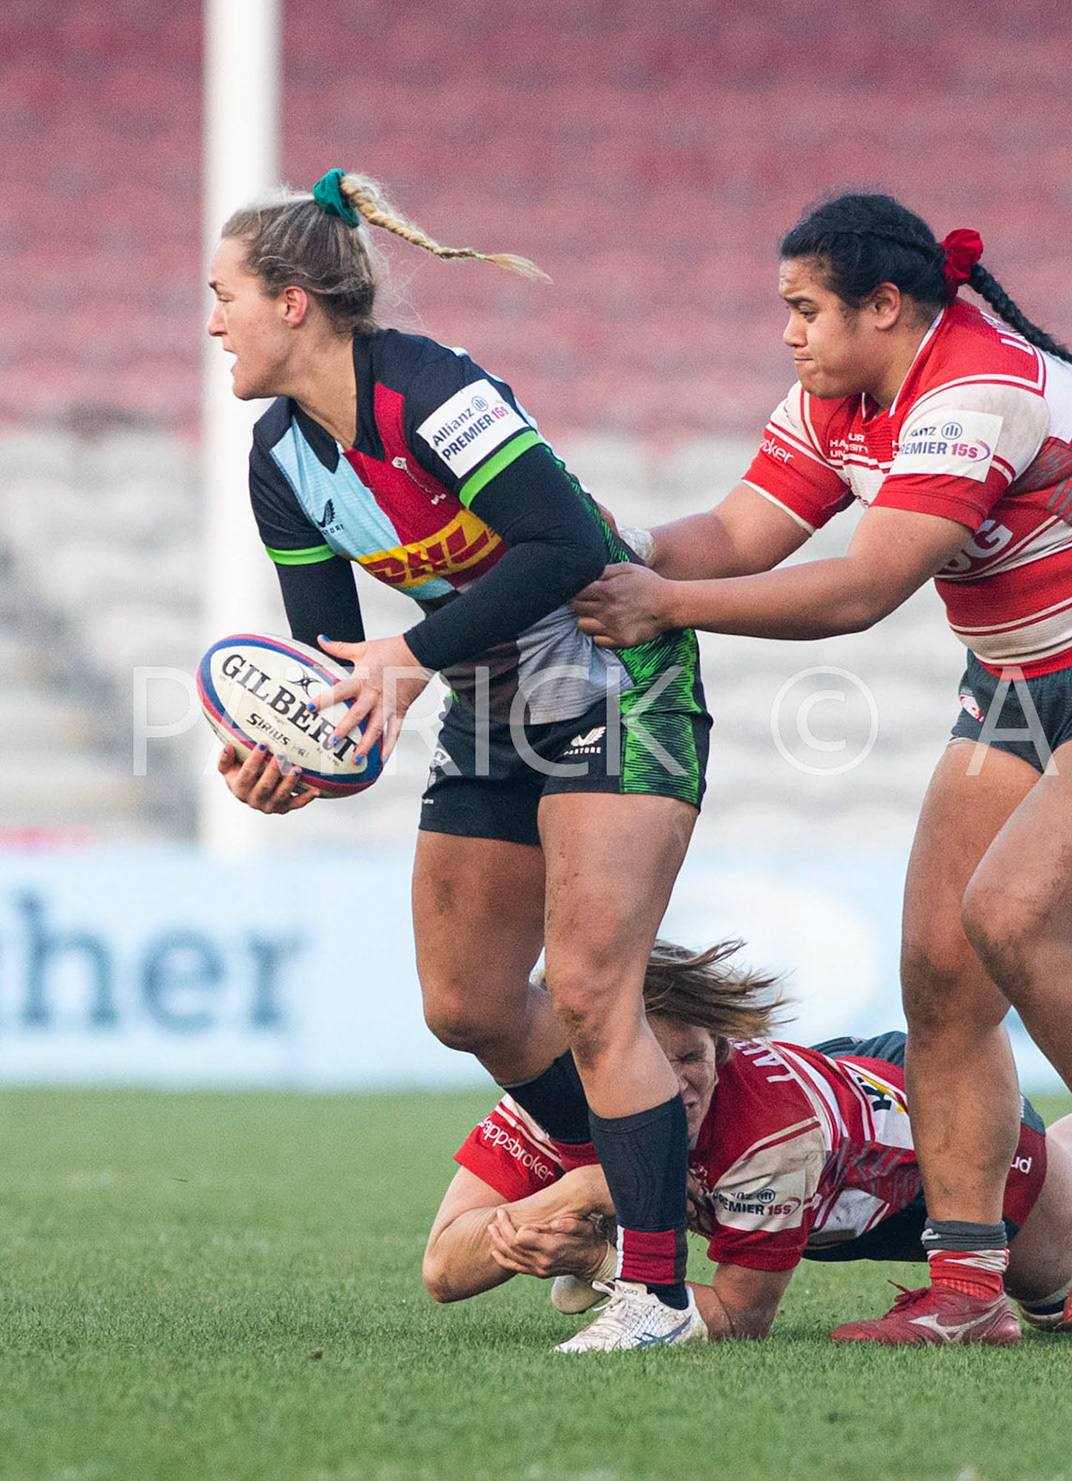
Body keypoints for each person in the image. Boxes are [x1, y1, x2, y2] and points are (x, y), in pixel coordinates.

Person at [569, 193, 1072, 1344]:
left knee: (1015, 914)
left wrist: (665, 606)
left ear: (884, 304)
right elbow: (742, 533)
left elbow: (862, 588)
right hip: (1019, 683)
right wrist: (608, 552)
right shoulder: (838, 398)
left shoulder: (975, 388)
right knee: (941, 978)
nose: (789, 334)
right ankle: (966, 1293)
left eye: (805, 309)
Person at [206, 170, 711, 1350]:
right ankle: (631, 1187)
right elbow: (334, 658)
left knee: (590, 991)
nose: (211, 320)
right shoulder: (280, 459)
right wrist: (293, 754)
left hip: (613, 673)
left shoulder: (436, 390)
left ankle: (657, 1295)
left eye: (222, 294)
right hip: (489, 691)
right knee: (468, 1002)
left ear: (294, 302)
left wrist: (414, 655)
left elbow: (570, 540)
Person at [423, 942, 1072, 1342]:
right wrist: (526, 1220)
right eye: (662, 1070)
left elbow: (735, 1318)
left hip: (939, 1161)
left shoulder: (764, 1133)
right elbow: (443, 1265)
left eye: (699, 1058)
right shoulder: (559, 1103)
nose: (685, 1086)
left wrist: (601, 1230)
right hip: (891, 1111)